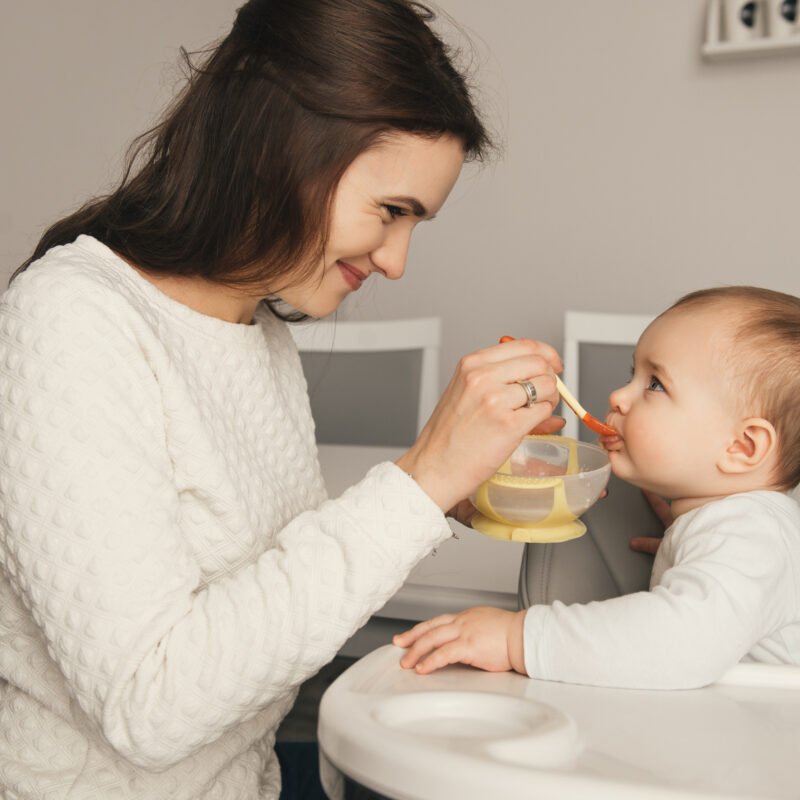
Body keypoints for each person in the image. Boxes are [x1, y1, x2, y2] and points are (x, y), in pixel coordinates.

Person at [0, 2, 565, 798]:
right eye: (392, 211)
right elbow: (149, 704)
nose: (398, 260)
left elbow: (257, 580)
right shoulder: (70, 319)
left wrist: (447, 496)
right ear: (280, 148)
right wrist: (418, 481)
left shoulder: (256, 331)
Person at [395, 286, 800, 690]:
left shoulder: (750, 535)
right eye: (632, 375)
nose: (618, 396)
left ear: (743, 446)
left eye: (655, 384)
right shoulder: (744, 528)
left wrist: (514, 638)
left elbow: (679, 643)